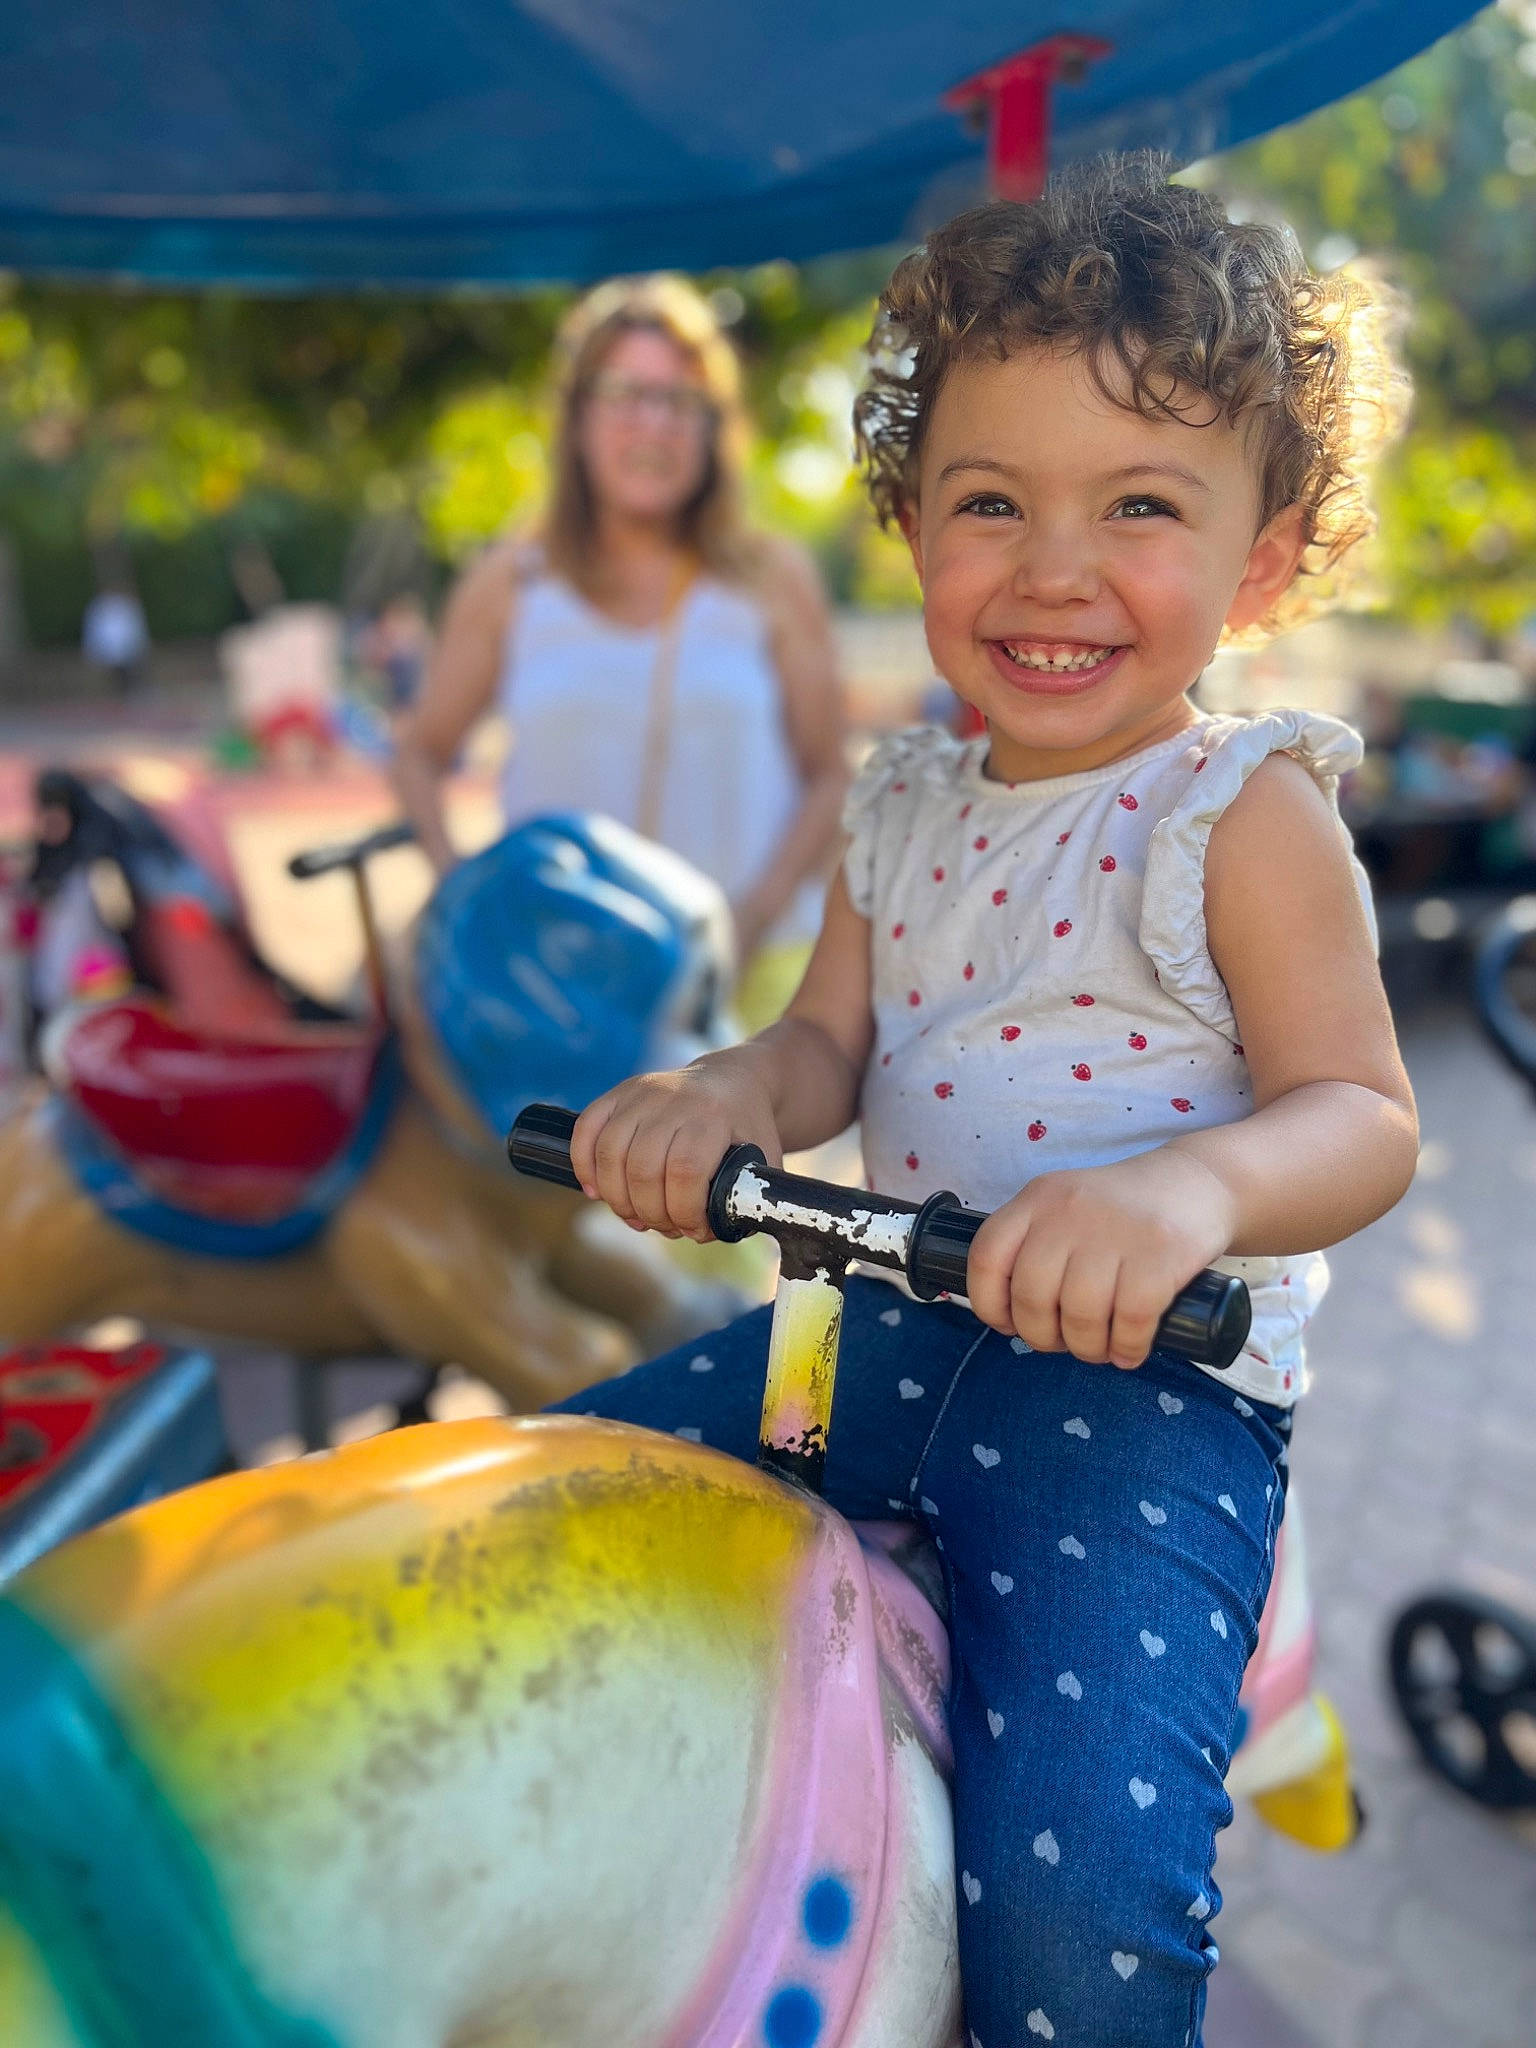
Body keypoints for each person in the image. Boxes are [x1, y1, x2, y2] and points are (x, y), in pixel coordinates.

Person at [550, 158, 1419, 2047]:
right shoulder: (901, 802)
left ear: (1260, 559)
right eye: (990, 502)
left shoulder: (1240, 814)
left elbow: (1361, 1108)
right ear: (908, 521)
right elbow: (819, 1053)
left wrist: (1187, 1194)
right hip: (855, 1329)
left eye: (1138, 507)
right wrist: (714, 1096)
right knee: (542, 1507)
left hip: (1144, 1400)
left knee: (1074, 1902)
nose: (1049, 565)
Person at [392, 275, 848, 1015]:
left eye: (679, 400)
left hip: (744, 987)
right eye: (625, 394)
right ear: (577, 416)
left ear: (712, 426)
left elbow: (829, 775)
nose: (654, 424)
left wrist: (753, 917)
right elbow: (420, 754)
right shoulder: (514, 581)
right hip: (559, 993)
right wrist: (465, 897)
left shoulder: (769, 578)